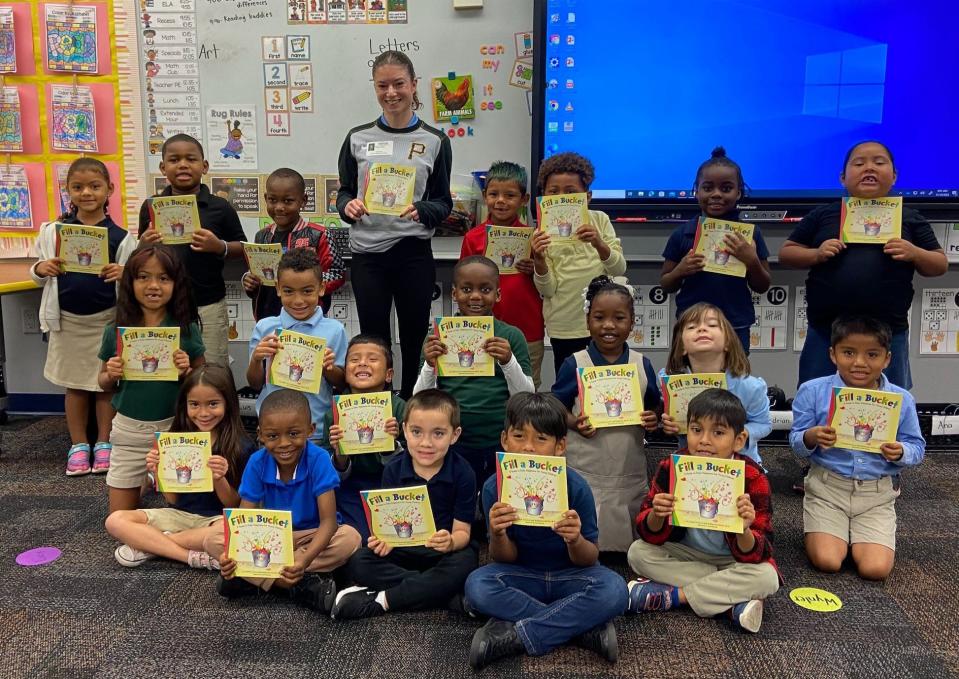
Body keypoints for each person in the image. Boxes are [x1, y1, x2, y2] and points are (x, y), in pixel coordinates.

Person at [464, 393, 627, 670]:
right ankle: (581, 630)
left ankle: (518, 633)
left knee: (615, 590)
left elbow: (589, 559)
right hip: (522, 574)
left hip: (572, 575)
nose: (528, 448)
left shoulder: (576, 487)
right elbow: (503, 560)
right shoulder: (494, 488)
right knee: (477, 586)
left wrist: (575, 540)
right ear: (504, 440)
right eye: (519, 436)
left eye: (541, 439)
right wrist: (499, 533)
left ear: (560, 445)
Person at [779, 140, 947, 389]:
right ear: (842, 177)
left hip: (889, 332)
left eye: (879, 162)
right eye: (859, 163)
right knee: (816, 399)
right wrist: (816, 254)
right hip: (826, 331)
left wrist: (914, 253)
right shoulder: (824, 214)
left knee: (891, 402)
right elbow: (787, 253)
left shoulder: (909, 217)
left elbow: (939, 263)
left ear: (894, 176)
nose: (869, 168)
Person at [337, 50, 453, 399]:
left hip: (412, 252)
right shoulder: (357, 137)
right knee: (374, 338)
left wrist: (423, 210)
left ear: (413, 84)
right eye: (382, 85)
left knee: (415, 333)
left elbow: (443, 203)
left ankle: (412, 403)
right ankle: (378, 406)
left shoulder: (435, 141)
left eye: (399, 84)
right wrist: (349, 206)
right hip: (367, 254)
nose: (391, 93)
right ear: (374, 87)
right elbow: (343, 193)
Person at [626, 389, 781, 633]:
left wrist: (745, 530)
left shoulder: (752, 477)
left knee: (767, 578)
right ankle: (730, 603)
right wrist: (657, 515)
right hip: (686, 552)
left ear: (739, 440)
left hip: (732, 559)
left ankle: (674, 597)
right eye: (696, 430)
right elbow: (648, 533)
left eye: (718, 433)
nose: (704, 440)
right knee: (637, 553)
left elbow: (760, 551)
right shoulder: (672, 466)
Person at [789, 316, 925, 580]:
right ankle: (834, 532)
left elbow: (917, 447)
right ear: (833, 354)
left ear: (887, 358)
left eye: (872, 354)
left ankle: (858, 536)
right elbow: (795, 442)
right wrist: (811, 437)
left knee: (875, 570)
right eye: (848, 353)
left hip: (876, 495)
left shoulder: (902, 399)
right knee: (827, 561)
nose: (859, 363)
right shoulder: (813, 391)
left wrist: (901, 452)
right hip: (828, 488)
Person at [205, 389, 362, 610]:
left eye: (294, 434)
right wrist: (232, 556)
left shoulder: (318, 460)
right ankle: (298, 586)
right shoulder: (257, 462)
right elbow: (244, 520)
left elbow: (329, 523)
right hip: (269, 538)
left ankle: (255, 579)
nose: (284, 444)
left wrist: (303, 561)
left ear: (310, 430)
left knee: (350, 539)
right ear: (259, 434)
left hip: (311, 534)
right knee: (213, 539)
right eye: (272, 436)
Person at [31, 158, 138, 476]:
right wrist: (41, 268)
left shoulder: (121, 237)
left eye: (95, 186)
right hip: (67, 321)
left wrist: (123, 273)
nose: (87, 193)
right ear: (68, 192)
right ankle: (79, 444)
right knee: (74, 385)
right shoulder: (53, 232)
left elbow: (136, 279)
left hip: (105, 320)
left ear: (110, 190)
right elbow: (37, 271)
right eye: (78, 187)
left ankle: (104, 442)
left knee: (105, 384)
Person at [331, 389, 478, 619]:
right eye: (417, 432)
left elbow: (462, 532)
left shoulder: (464, 473)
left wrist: (450, 542)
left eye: (438, 433)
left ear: (455, 434)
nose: (426, 443)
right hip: (402, 554)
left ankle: (384, 600)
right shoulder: (393, 469)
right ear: (404, 431)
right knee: (359, 561)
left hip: (441, 555)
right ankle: (441, 592)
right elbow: (385, 529)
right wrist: (382, 542)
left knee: (466, 561)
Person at [105, 364, 254, 569]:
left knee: (233, 531)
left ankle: (152, 545)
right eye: (194, 404)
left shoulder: (241, 446)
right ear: (184, 404)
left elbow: (234, 506)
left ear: (228, 403)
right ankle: (188, 556)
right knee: (115, 520)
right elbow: (173, 500)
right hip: (178, 516)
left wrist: (218, 479)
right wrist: (159, 472)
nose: (203, 413)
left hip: (215, 520)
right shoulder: (175, 440)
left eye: (213, 404)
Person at [551, 275, 661, 552]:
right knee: (586, 510)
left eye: (619, 318)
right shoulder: (574, 363)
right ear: (588, 321)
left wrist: (653, 418)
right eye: (599, 317)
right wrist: (574, 422)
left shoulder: (641, 364)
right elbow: (555, 407)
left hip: (627, 463)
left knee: (628, 517)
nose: (608, 325)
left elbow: (656, 406)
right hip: (586, 460)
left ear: (632, 322)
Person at [98, 245, 206, 513]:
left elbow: (205, 383)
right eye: (143, 277)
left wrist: (188, 372)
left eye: (164, 278)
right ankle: (146, 477)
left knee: (185, 510)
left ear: (175, 284)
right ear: (129, 282)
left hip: (176, 428)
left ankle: (152, 476)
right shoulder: (116, 330)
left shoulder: (186, 328)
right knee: (119, 517)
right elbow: (102, 382)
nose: (153, 286)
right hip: (128, 430)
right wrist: (110, 374)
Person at [414, 255, 533, 486]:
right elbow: (420, 397)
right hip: (452, 441)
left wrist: (508, 361)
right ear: (455, 293)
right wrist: (430, 364)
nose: (476, 296)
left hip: (500, 438)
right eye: (467, 289)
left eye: (485, 289)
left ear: (497, 294)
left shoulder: (511, 335)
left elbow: (526, 396)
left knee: (494, 501)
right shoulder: (439, 337)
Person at [138, 134, 246, 367]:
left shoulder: (220, 207)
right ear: (163, 167)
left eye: (191, 159)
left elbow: (244, 249)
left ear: (204, 166)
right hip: (161, 307)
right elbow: (139, 261)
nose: (183, 165)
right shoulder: (150, 208)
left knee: (211, 370)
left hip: (207, 305)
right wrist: (143, 245)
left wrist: (219, 246)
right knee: (166, 370)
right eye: (174, 160)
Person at [660, 147, 771, 352]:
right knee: (690, 376)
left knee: (734, 380)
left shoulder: (750, 236)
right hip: (692, 325)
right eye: (708, 188)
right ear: (696, 190)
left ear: (739, 192)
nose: (716, 194)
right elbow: (666, 284)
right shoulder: (682, 234)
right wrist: (680, 271)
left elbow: (762, 285)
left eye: (726, 189)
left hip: (735, 324)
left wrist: (752, 261)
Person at [530, 152, 626, 376]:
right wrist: (539, 259)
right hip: (562, 326)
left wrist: (598, 242)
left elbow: (618, 268)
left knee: (604, 380)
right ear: (544, 196)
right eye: (553, 192)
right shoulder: (541, 232)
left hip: (602, 323)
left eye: (571, 192)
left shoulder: (600, 220)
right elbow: (547, 289)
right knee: (567, 386)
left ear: (587, 196)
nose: (562, 197)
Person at [247, 248, 347, 444]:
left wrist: (329, 368)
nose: (298, 300)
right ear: (277, 289)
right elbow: (254, 383)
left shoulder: (335, 330)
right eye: (288, 291)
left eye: (307, 291)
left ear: (321, 288)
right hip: (272, 429)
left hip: (316, 428)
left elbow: (342, 383)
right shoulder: (265, 327)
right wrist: (257, 359)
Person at [459, 161, 545, 389]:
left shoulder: (534, 237)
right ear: (485, 195)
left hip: (528, 328)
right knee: (485, 386)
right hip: (483, 328)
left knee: (526, 389)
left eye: (510, 195)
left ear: (524, 200)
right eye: (494, 194)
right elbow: (463, 285)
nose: (500, 201)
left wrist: (536, 266)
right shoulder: (473, 238)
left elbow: (548, 284)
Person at [660, 303, 771, 465]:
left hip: (740, 465)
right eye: (691, 327)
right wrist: (669, 424)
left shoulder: (749, 387)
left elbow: (763, 424)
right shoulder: (670, 382)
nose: (702, 329)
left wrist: (737, 434)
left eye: (712, 325)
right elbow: (675, 423)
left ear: (727, 343)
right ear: (682, 346)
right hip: (692, 464)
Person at [321, 334, 406, 539]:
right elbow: (329, 473)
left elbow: (412, 462)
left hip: (391, 485)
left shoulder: (400, 408)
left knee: (395, 537)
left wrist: (392, 444)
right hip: (351, 488)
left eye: (372, 359)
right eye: (354, 359)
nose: (362, 364)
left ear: (389, 374)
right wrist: (339, 453)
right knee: (360, 537)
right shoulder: (333, 412)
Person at [242, 168, 346, 320]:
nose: (279, 207)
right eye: (272, 200)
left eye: (288, 201)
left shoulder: (320, 235)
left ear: (303, 201)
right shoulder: (261, 236)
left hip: (307, 318)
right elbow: (257, 274)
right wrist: (249, 280)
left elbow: (338, 273)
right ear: (265, 198)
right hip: (268, 317)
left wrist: (306, 283)